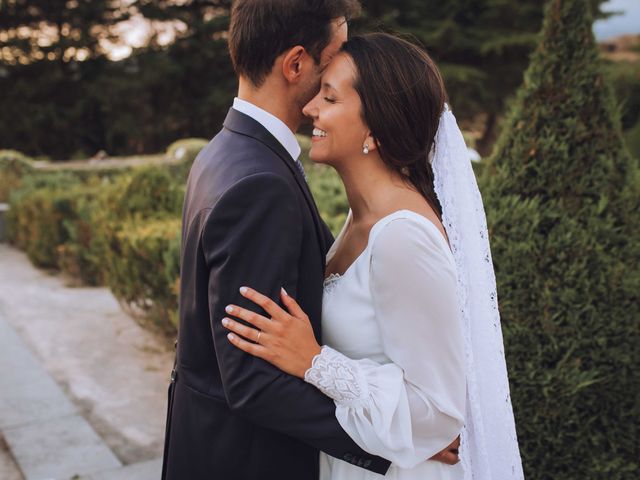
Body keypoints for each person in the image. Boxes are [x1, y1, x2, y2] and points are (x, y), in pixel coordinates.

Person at [161, 2, 458, 479]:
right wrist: (393, 446)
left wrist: (412, 432)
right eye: (331, 61)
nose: (318, 102)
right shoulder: (262, 181)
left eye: (333, 97)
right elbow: (252, 379)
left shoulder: (225, 152)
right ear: (296, 63)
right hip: (248, 460)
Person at [222, 33, 525, 479]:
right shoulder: (360, 217)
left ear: (375, 128)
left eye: (329, 97)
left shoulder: (403, 237)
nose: (310, 109)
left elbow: (438, 412)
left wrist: (315, 361)